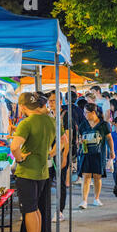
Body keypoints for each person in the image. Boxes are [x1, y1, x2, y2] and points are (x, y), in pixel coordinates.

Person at [10, 92, 55, 232]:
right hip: (43, 171)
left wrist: (20, 158)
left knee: (29, 210)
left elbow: (14, 147)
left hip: (27, 172)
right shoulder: (50, 120)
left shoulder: (26, 123)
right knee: (35, 209)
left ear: (22, 107)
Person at [77, 103, 115, 209]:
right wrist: (79, 142)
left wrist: (112, 151)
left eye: (86, 112)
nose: (84, 115)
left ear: (93, 113)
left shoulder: (104, 125)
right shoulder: (83, 124)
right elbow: (79, 138)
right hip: (86, 154)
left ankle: (96, 198)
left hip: (99, 154)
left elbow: (109, 138)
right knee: (86, 176)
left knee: (97, 177)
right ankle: (84, 200)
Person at [47, 91, 70, 223]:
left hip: (60, 154)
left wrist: (65, 156)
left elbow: (67, 138)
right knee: (49, 182)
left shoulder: (64, 116)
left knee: (60, 184)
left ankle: (60, 211)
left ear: (60, 101)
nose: (51, 103)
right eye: (50, 101)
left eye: (54, 100)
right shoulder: (48, 116)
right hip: (49, 154)